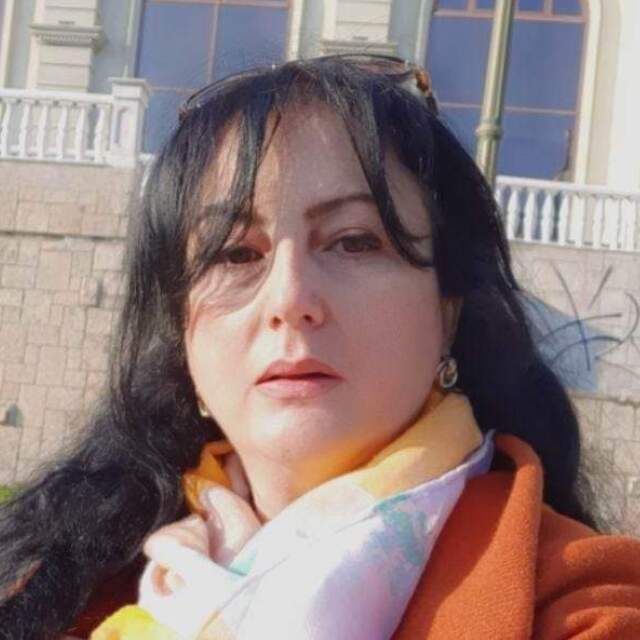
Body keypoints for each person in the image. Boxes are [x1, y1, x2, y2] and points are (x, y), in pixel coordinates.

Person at [1, 55, 639, 640]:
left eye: (354, 241)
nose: (290, 297)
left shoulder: (579, 607)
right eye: (235, 253)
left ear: (447, 313)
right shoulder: (60, 601)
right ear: (182, 333)